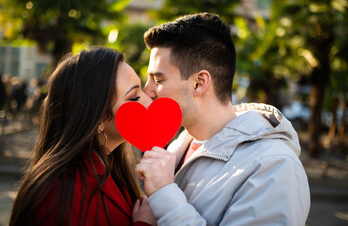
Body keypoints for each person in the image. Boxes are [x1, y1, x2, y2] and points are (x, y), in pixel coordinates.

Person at [136, 13, 311, 226]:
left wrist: (164, 195)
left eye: (158, 79)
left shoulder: (274, 166)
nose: (147, 91)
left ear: (199, 82)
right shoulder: (179, 146)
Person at [10, 47, 156, 226]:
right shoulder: (60, 193)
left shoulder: (110, 168)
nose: (149, 102)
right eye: (133, 97)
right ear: (98, 118)